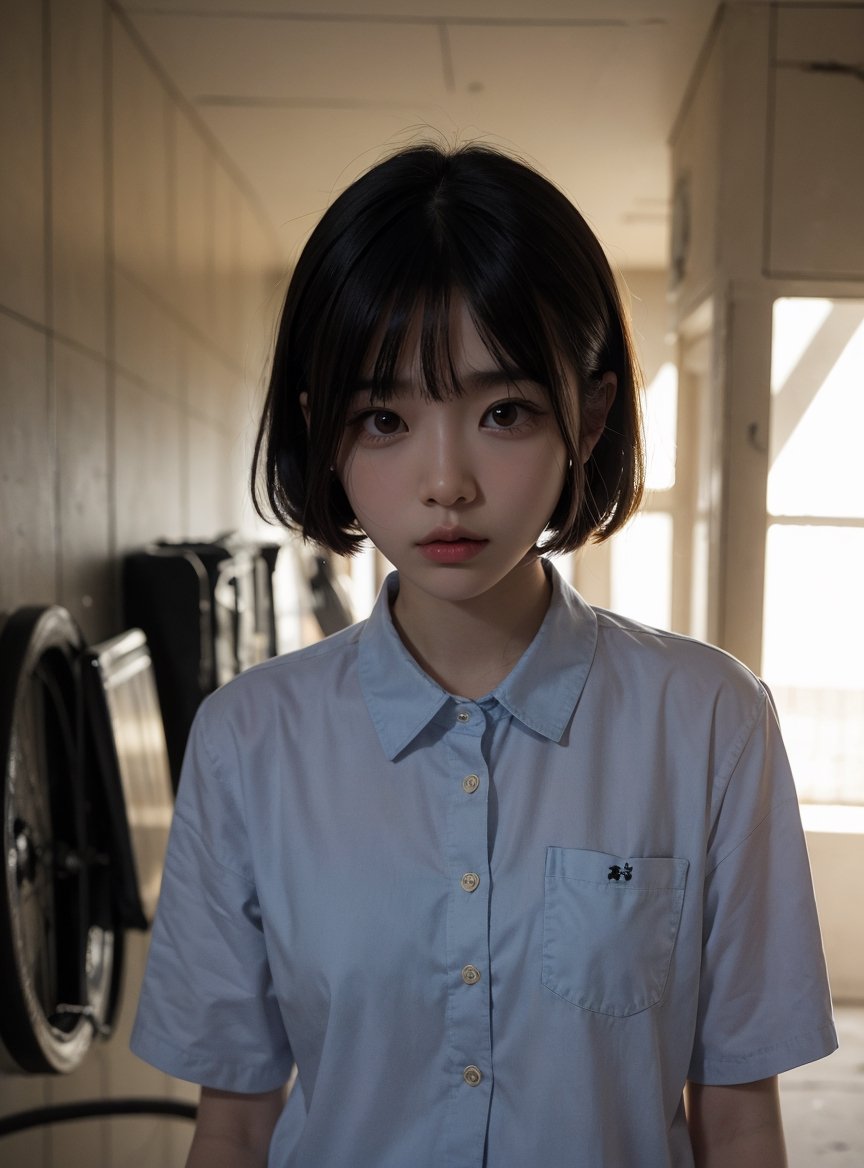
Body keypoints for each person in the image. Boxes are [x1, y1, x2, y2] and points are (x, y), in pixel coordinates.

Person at [131, 143, 837, 1168]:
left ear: (588, 417)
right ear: (322, 432)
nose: (446, 480)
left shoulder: (710, 722)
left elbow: (738, 1118)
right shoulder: (250, 740)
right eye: (384, 418)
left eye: (503, 412)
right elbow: (234, 1124)